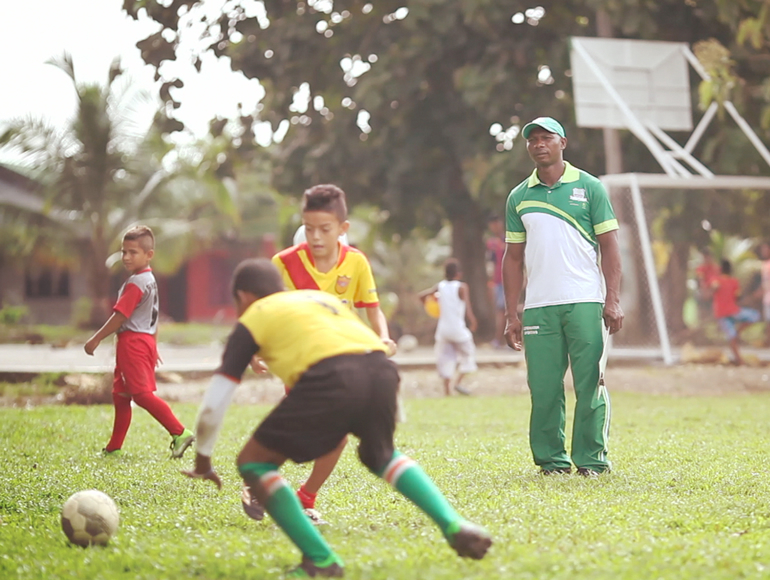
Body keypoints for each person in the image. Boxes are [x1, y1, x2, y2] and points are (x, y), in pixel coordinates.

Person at [181, 259, 492, 578]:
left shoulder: (254, 316)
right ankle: (454, 523)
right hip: (382, 371)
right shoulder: (321, 299)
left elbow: (216, 399)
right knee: (380, 454)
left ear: (243, 297)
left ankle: (321, 560)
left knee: (253, 462)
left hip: (332, 377)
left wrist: (203, 460)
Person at [256, 183, 397, 525]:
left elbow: (372, 308)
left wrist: (384, 337)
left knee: (337, 433)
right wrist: (258, 349)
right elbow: (266, 311)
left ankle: (305, 496)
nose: (316, 237)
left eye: (325, 229)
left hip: (343, 362)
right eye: (309, 228)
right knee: (302, 433)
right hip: (299, 362)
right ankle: (260, 480)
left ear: (343, 229)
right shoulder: (284, 263)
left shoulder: (356, 263)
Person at [502, 117, 623, 476]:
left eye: (546, 138)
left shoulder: (589, 187)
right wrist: (512, 313)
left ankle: (591, 461)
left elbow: (610, 248)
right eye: (533, 140)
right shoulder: (519, 196)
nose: (539, 144)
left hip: (585, 301)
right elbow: (512, 258)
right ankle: (551, 461)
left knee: (589, 384)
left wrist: (612, 299)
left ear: (562, 143)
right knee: (543, 388)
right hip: (539, 308)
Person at [84, 225, 194, 458]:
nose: (126, 257)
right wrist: (153, 345)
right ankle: (114, 447)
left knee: (141, 395)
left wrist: (95, 339)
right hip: (141, 341)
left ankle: (180, 432)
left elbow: (120, 316)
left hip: (132, 342)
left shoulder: (136, 283)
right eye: (124, 252)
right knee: (121, 395)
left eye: (133, 252)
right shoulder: (148, 279)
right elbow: (151, 315)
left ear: (149, 254)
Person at [418, 258, 478, 396]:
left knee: (445, 359)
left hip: (443, 330)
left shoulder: (440, 286)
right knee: (468, 355)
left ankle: (447, 391)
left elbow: (422, 296)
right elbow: (467, 308)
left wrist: (432, 308)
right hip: (458, 329)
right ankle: (457, 383)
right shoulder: (462, 287)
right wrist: (473, 321)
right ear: (459, 274)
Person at [712, 259, 760, 365]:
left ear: (721, 269)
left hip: (723, 314)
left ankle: (739, 358)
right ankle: (738, 334)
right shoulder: (733, 282)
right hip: (733, 312)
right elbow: (738, 296)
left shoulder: (718, 280)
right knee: (755, 316)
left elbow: (714, 287)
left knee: (732, 337)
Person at [486, 215, 506, 347]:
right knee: (500, 310)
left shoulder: (509, 239)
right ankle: (499, 340)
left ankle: (501, 340)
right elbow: (491, 264)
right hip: (497, 281)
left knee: (504, 311)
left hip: (508, 280)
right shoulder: (491, 243)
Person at [695, 247, 720, 324]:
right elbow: (701, 281)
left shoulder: (716, 268)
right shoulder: (700, 269)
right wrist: (705, 291)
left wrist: (711, 291)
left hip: (714, 290)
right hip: (704, 291)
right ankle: (701, 322)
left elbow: (718, 282)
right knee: (698, 295)